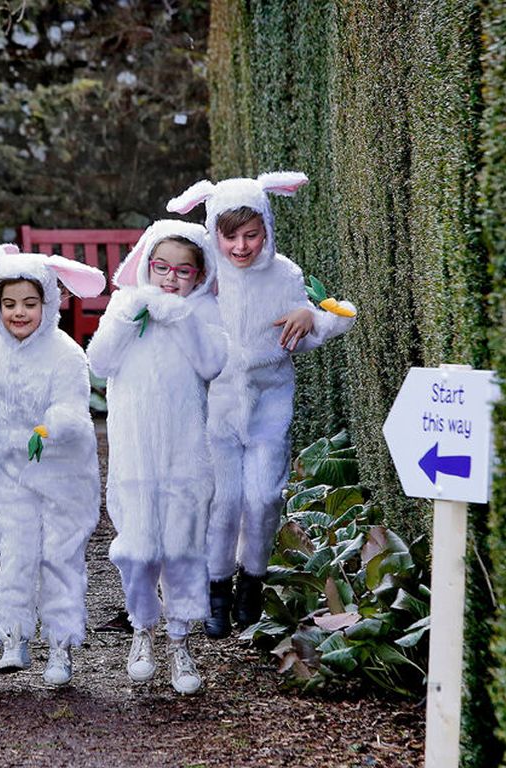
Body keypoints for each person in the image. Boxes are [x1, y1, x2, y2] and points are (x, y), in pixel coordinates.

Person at [167, 172, 358, 638]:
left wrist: (310, 314)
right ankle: (217, 588)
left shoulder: (286, 274)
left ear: (267, 229)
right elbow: (163, 302)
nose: (240, 246)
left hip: (270, 405)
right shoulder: (204, 274)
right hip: (217, 406)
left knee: (263, 497)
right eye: (229, 235)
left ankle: (251, 579)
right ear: (213, 231)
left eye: (252, 234)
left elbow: (340, 315)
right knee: (224, 500)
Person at [0, 231, 105, 686]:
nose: (19, 313)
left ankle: (60, 644)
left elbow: (74, 409)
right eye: (9, 303)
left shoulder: (66, 355)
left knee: (58, 554)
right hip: (12, 471)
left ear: (48, 304)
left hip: (62, 473)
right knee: (15, 550)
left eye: (30, 304)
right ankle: (14, 636)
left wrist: (49, 427)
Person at [86, 221, 228, 694]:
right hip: (135, 453)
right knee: (139, 546)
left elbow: (212, 363)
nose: (170, 278)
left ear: (199, 275)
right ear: (147, 265)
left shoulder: (203, 313)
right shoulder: (127, 304)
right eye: (162, 267)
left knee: (182, 544)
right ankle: (142, 628)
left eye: (183, 271)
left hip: (185, 452)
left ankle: (180, 640)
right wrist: (132, 315)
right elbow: (99, 362)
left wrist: (180, 315)